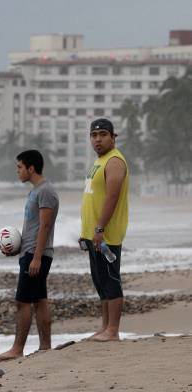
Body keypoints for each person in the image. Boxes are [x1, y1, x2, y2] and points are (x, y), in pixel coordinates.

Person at [0, 149, 59, 361]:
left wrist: (37, 257)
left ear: (31, 168)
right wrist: (16, 248)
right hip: (30, 252)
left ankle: (17, 349)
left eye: (20, 167)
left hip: (36, 254)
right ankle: (45, 348)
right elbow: (33, 228)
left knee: (22, 302)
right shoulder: (35, 191)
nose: (18, 171)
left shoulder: (45, 191)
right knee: (40, 300)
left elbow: (45, 226)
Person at [79, 118, 129, 342]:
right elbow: (92, 199)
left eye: (103, 135)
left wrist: (99, 228)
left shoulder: (114, 161)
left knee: (110, 279)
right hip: (94, 234)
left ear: (113, 137)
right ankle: (105, 327)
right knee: (99, 281)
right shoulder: (99, 161)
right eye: (94, 135)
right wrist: (86, 232)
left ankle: (113, 330)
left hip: (107, 234)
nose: (97, 139)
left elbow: (112, 197)